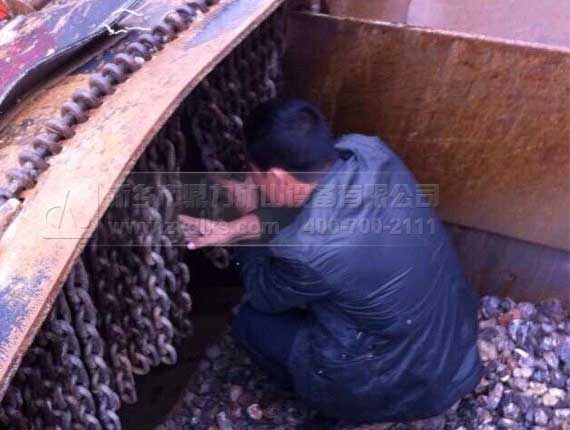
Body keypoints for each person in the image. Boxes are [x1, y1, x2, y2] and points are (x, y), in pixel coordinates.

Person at [178, 98, 481, 425]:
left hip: (408, 384)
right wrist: (242, 224)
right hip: (456, 344)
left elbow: (264, 295)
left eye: (253, 174)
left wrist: (242, 231)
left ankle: (336, 404)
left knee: (250, 321)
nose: (251, 181)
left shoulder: (307, 252)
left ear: (277, 177)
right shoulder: (369, 152)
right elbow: (314, 208)